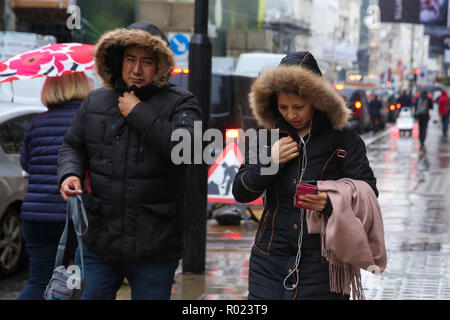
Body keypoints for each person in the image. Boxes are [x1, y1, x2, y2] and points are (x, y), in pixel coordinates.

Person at [57, 22, 202, 300]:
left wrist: (137, 112)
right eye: (130, 59)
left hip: (155, 247)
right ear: (118, 60)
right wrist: (69, 174)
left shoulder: (182, 102)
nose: (136, 69)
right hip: (99, 241)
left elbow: (188, 150)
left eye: (146, 62)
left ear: (160, 65)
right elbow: (72, 146)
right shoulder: (96, 100)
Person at [232, 51, 379, 300]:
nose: (291, 114)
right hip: (269, 260)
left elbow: (368, 192)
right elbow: (241, 190)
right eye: (283, 107)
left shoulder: (343, 136)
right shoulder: (267, 134)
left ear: (316, 100)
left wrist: (330, 203)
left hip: (323, 264)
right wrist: (271, 163)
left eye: (299, 107)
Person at [18, 72, 92, 300]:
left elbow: (26, 163)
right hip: (73, 214)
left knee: (40, 280)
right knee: (76, 282)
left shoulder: (36, 122)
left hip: (34, 214)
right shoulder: (89, 120)